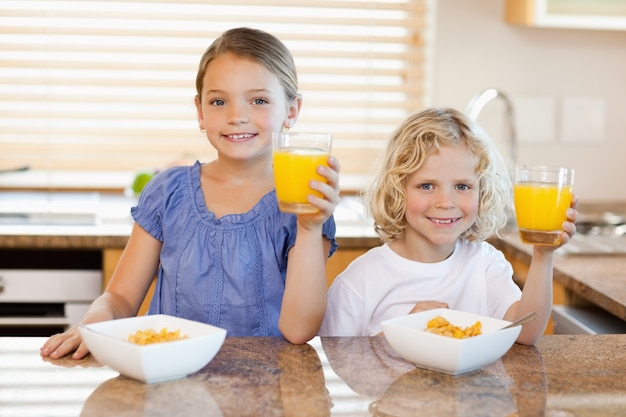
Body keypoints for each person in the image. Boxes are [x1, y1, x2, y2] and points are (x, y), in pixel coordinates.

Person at [41, 27, 341, 360]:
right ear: (200, 111)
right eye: (218, 101)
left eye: (258, 100)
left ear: (292, 111)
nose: (236, 116)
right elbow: (121, 299)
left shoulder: (304, 206)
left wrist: (310, 229)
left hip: (266, 393)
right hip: (170, 383)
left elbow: (299, 330)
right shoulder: (168, 193)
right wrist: (94, 322)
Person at [319, 107, 577, 345]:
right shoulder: (361, 279)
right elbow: (333, 361)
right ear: (398, 190)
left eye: (462, 186)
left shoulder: (485, 264)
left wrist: (543, 255)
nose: (445, 202)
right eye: (427, 186)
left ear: (481, 191)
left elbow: (526, 331)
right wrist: (399, 334)